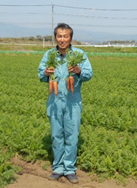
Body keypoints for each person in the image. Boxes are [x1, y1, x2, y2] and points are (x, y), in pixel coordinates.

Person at [38, 23, 93, 184]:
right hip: (54, 101)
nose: (62, 39)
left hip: (72, 102)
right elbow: (41, 74)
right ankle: (58, 168)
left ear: (70, 38)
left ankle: (69, 168)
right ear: (55, 37)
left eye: (66, 36)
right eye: (59, 36)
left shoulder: (79, 54)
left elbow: (89, 74)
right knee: (56, 135)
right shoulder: (49, 54)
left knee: (71, 135)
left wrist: (79, 71)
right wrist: (45, 73)